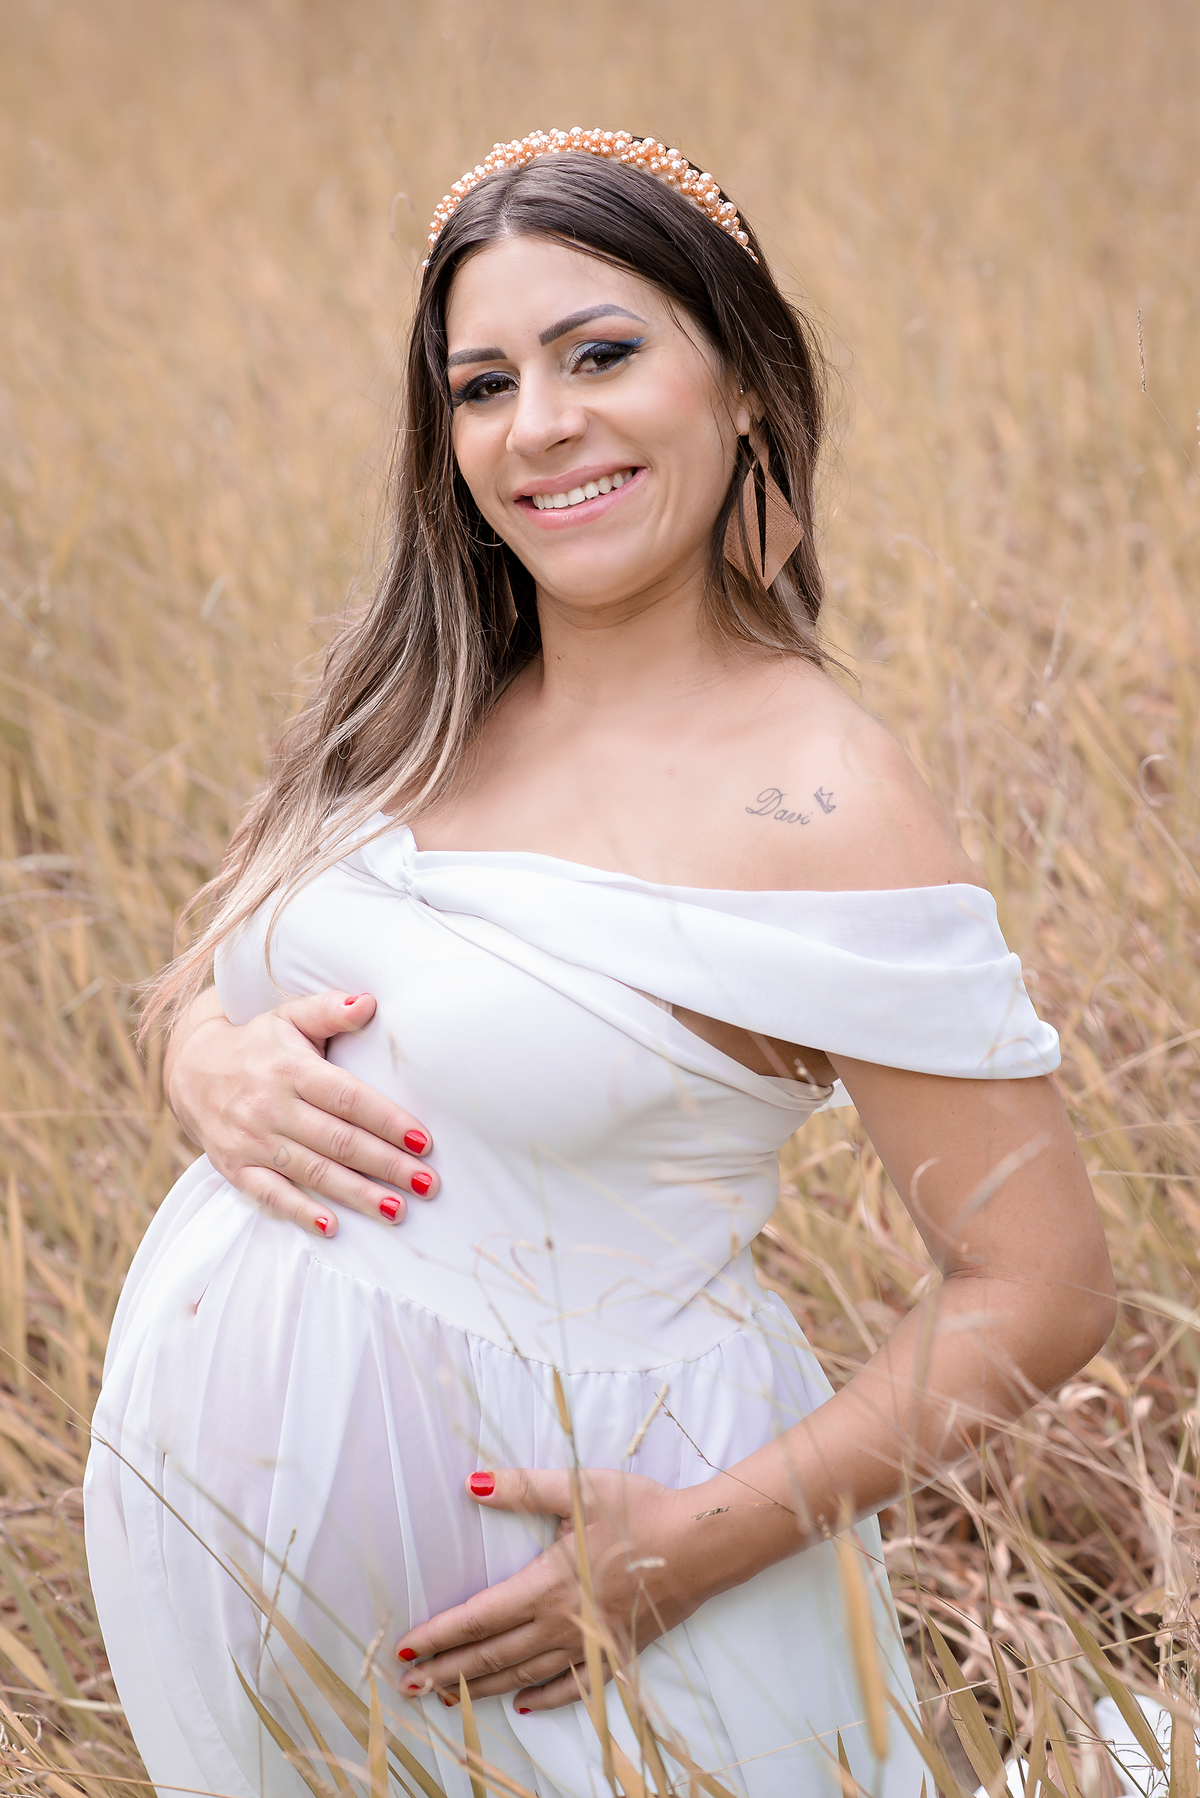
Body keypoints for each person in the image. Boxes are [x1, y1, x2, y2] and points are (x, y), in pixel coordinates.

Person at [84, 128, 1115, 1798]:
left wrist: (688, 1549)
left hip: (618, 1663)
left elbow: (1044, 1281)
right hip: (289, 1682)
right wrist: (205, 1060)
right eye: (483, 385)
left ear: (746, 385)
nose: (540, 424)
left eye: (602, 354)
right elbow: (207, 978)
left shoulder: (820, 795)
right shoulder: (410, 706)